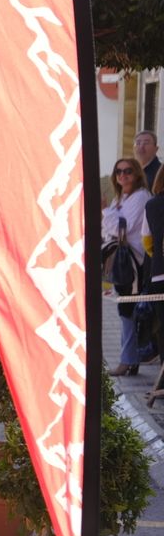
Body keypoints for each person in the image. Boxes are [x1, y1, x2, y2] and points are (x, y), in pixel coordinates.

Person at [104, 158, 150, 376]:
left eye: (128, 171)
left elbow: (123, 228)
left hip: (134, 262)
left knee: (128, 311)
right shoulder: (120, 198)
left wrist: (106, 213)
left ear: (137, 173)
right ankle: (129, 359)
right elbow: (111, 229)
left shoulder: (141, 196)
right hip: (122, 260)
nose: (123, 175)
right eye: (119, 171)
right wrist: (111, 217)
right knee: (124, 311)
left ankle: (128, 360)